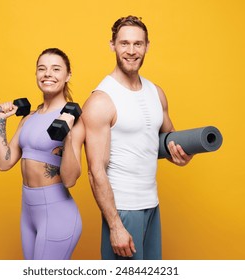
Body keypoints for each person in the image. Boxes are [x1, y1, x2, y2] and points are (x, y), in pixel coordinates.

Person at [82, 16, 193, 260]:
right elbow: (95, 170)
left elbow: (167, 142)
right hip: (123, 210)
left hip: (152, 205)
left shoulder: (156, 93)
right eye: (124, 44)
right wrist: (115, 225)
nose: (131, 51)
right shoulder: (101, 100)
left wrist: (185, 153)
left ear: (147, 46)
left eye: (138, 44)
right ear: (112, 45)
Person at [0, 48, 84, 260]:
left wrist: (68, 135)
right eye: (42, 69)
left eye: (56, 69)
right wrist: (0, 120)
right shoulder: (29, 118)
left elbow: (70, 180)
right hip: (28, 213)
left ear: (67, 75)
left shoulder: (73, 118)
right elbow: (4, 162)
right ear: (36, 74)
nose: (47, 74)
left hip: (57, 214)